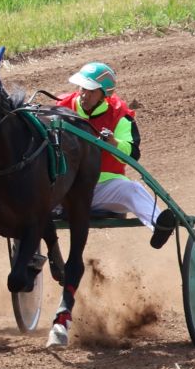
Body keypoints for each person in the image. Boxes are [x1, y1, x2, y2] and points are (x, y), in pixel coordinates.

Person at [55, 62, 178, 247]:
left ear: (105, 95)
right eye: (83, 88)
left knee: (132, 189)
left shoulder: (120, 116)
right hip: (65, 190)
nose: (84, 95)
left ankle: (159, 225)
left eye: (92, 91)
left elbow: (132, 154)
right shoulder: (61, 108)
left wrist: (114, 143)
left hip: (103, 190)